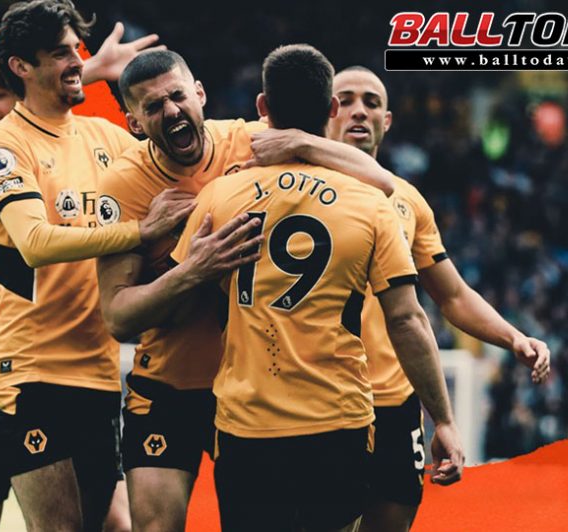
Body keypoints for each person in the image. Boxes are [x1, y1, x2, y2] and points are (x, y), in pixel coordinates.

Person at [95, 49, 398, 531]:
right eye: (153, 107)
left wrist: (303, 140)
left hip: (249, 394)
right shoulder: (124, 185)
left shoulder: (250, 140)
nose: (171, 111)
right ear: (133, 122)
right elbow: (117, 316)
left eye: (177, 96)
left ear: (199, 95)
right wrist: (192, 270)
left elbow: (381, 181)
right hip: (169, 382)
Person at [171, 44, 465, 532]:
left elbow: (181, 303)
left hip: (248, 421)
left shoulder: (221, 194)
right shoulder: (370, 203)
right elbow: (408, 318)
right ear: (331, 108)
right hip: (337, 420)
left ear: (263, 107)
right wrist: (445, 420)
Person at [0, 1, 194, 529]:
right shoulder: (4, 143)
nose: (77, 61)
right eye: (60, 53)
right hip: (28, 369)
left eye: (77, 50)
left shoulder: (109, 139)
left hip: (96, 370)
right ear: (21, 67)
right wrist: (141, 232)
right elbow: (33, 241)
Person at [318, 66, 548, 532]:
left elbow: (453, 295)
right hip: (320, 401)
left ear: (387, 121)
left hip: (394, 404)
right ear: (326, 113)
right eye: (346, 100)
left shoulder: (408, 202)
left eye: (371, 102)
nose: (359, 110)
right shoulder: (294, 187)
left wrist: (513, 337)